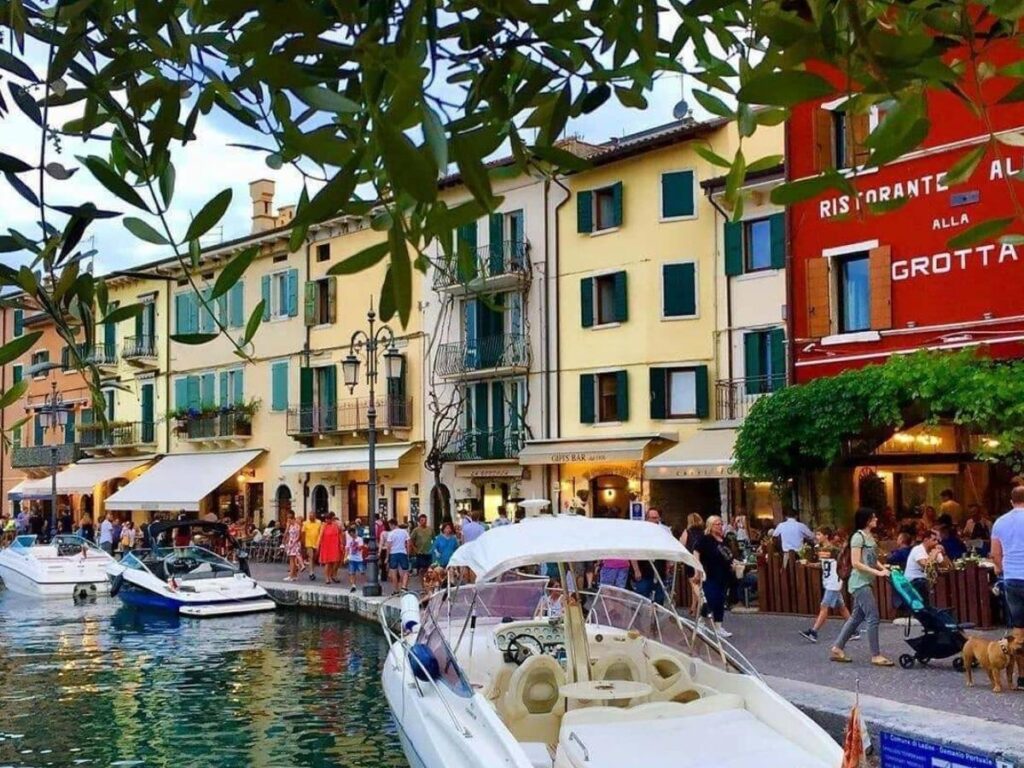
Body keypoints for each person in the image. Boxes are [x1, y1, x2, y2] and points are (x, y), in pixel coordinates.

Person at [830, 508, 894, 666]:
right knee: (873, 617)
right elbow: (856, 563)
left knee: (856, 617)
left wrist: (882, 568)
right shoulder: (858, 538)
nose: (876, 519)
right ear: (866, 520)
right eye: (873, 517)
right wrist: (878, 573)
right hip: (859, 582)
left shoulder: (869, 537)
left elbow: (871, 559)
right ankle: (875, 655)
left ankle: (837, 647)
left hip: (866, 581)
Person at [800, 530, 859, 643]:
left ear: (826, 536)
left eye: (819, 534)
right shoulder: (822, 550)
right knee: (841, 607)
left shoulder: (834, 550)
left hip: (833, 582)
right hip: (828, 581)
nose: (817, 536)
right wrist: (809, 564)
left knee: (824, 606)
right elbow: (824, 564)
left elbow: (843, 561)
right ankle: (853, 631)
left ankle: (814, 632)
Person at [992, 486, 1024, 657]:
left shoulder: (1000, 522)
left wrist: (1004, 570)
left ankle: (1021, 678)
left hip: (1012, 579)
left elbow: (995, 554)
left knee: (1018, 629)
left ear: (1011, 502)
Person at [695, 516, 735, 638]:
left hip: (724, 573)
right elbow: (696, 552)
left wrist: (734, 563)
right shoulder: (705, 539)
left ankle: (718, 626)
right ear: (711, 526)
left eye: (720, 524)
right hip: (710, 572)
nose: (719, 526)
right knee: (710, 597)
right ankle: (701, 623)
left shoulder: (723, 540)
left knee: (720, 600)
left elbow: (729, 555)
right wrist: (698, 569)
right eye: (717, 524)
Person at [903, 529, 945, 609]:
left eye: (937, 540)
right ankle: (924, 611)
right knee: (922, 583)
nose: (937, 543)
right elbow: (926, 566)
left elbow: (947, 566)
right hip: (913, 582)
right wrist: (934, 555)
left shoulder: (934, 550)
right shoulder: (918, 550)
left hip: (926, 581)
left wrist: (943, 553)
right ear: (926, 540)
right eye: (934, 540)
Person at [680, 513, 705, 616]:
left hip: (690, 560)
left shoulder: (687, 532)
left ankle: (703, 603)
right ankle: (694, 608)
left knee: (694, 584)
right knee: (698, 584)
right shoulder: (704, 533)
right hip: (702, 559)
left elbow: (681, 545)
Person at [384, 518, 411, 592]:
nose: (389, 527)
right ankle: (404, 586)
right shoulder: (404, 532)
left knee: (394, 572)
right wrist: (408, 553)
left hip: (393, 554)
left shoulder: (391, 533)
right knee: (405, 571)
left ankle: (396, 590)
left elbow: (388, 546)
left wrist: (387, 557)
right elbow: (408, 543)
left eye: (390, 525)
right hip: (403, 552)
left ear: (392, 525)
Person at [317, 513, 343, 584]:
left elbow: (340, 534)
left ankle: (333, 574)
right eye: (326, 519)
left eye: (329, 519)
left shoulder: (336, 525)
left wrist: (341, 543)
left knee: (335, 561)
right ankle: (327, 578)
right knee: (327, 562)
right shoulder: (323, 526)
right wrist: (318, 544)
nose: (327, 520)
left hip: (334, 545)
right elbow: (320, 535)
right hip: (326, 545)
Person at [302, 513, 323, 581]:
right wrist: (303, 543)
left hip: (316, 543)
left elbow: (321, 532)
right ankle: (311, 573)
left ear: (315, 516)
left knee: (314, 558)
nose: (310, 518)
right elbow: (303, 533)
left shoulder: (319, 522)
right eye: (309, 517)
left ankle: (312, 570)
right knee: (310, 557)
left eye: (312, 517)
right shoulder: (305, 523)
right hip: (309, 543)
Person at [282, 513, 304, 582]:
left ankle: (291, 575)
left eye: (289, 520)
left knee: (292, 560)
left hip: (295, 543)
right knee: (293, 560)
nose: (288, 521)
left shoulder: (297, 526)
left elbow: (299, 536)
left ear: (292, 519)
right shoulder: (291, 526)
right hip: (291, 542)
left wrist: (294, 542)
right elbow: (288, 534)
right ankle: (294, 575)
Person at [345, 525, 365, 592]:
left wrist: (356, 546)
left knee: (362, 572)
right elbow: (347, 549)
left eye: (352, 534)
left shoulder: (359, 539)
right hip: (351, 558)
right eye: (350, 535)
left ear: (354, 533)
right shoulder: (349, 539)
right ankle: (353, 585)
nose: (351, 536)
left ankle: (364, 584)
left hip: (359, 559)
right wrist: (345, 557)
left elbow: (361, 547)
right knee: (351, 573)